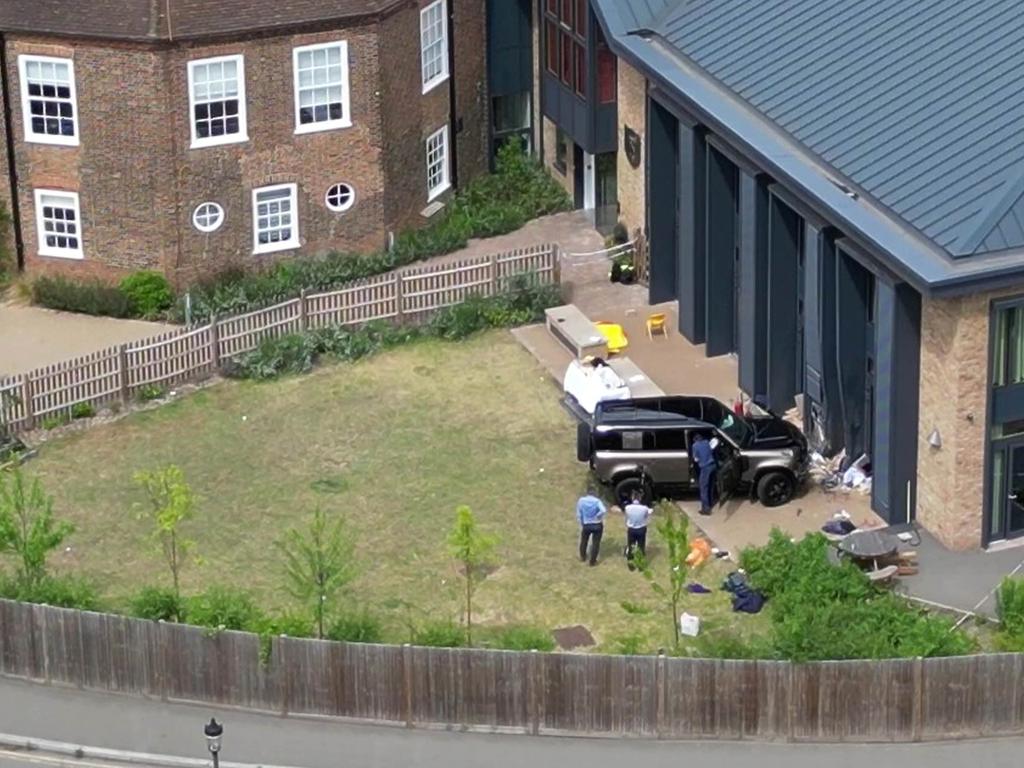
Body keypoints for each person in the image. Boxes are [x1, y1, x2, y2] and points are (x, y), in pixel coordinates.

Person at [576, 488, 607, 566]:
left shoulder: (581, 500)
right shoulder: (597, 501)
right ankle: (592, 561)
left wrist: (581, 521)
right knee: (596, 543)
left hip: (586, 523)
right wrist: (598, 515)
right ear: (595, 493)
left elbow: (579, 513)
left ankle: (583, 556)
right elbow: (603, 510)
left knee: (584, 541)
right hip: (597, 524)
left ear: (587, 493)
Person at [623, 491, 652, 570]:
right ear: (640, 498)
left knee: (631, 546)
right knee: (641, 547)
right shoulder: (644, 508)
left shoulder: (627, 507)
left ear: (632, 498)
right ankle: (640, 565)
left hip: (631, 529)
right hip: (641, 529)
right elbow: (646, 516)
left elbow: (627, 516)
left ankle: (631, 565)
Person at [692, 433, 717, 515]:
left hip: (705, 468)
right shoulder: (706, 442)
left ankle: (706, 509)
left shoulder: (695, 446)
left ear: (695, 439)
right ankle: (710, 503)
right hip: (713, 466)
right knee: (710, 486)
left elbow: (696, 459)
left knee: (703, 488)